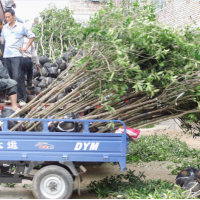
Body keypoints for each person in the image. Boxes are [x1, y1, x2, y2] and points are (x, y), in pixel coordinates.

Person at [0, 8, 35, 107]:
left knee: (17, 76)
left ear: (13, 16)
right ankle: (11, 98)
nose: (6, 19)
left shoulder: (21, 26)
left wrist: (25, 47)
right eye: (5, 17)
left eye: (8, 17)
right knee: (9, 78)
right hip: (6, 56)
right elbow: (2, 41)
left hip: (16, 55)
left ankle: (21, 98)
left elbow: (32, 36)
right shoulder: (5, 28)